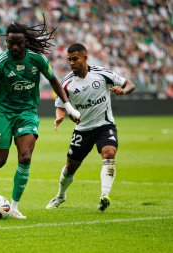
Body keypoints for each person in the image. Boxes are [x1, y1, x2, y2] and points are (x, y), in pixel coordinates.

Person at [0, 19, 81, 219]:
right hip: (4, 114)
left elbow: (53, 80)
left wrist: (67, 106)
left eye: (18, 43)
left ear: (25, 42)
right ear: (6, 42)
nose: (14, 47)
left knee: (25, 156)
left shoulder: (37, 60)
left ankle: (15, 206)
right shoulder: (0, 63)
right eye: (10, 43)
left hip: (27, 113)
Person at [45, 43, 136, 212]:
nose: (71, 63)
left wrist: (123, 91)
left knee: (109, 153)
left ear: (85, 58)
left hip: (104, 125)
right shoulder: (66, 83)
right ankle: (60, 196)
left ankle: (104, 196)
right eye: (68, 60)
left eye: (74, 59)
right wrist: (60, 117)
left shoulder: (102, 74)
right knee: (71, 167)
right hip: (82, 130)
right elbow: (60, 105)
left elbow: (130, 84)